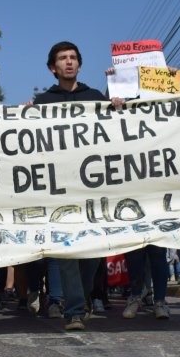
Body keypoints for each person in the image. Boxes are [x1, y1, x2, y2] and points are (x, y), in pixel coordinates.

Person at [32, 42, 121, 331]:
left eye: (73, 58)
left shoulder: (94, 98)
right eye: (62, 58)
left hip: (93, 188)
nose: (68, 62)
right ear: (52, 68)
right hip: (59, 188)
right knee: (67, 251)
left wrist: (117, 108)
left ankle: (80, 300)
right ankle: (73, 310)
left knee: (92, 251)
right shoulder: (43, 102)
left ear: (79, 65)